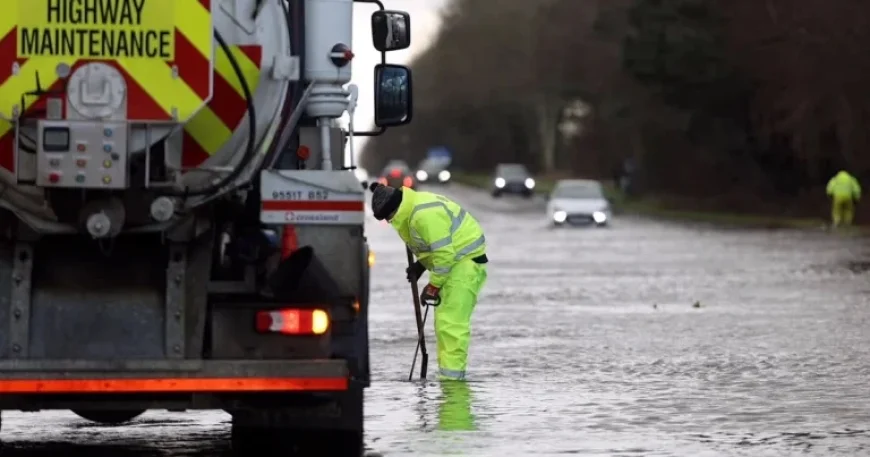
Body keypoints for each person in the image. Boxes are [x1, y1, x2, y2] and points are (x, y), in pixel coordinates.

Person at [368, 182, 488, 381]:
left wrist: (433, 286)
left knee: (451, 327)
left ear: (395, 209)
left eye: (388, 217)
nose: (389, 222)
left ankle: (452, 386)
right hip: (455, 263)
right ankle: (448, 380)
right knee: (444, 325)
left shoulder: (423, 215)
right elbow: (430, 245)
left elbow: (444, 254)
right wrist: (422, 265)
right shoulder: (410, 213)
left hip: (464, 264)